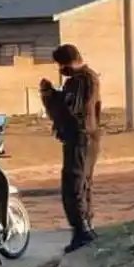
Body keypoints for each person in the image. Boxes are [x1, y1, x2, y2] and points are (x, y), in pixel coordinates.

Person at [40, 44, 101, 253]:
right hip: (85, 137)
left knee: (74, 184)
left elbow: (70, 110)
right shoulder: (84, 80)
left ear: (70, 61)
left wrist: (49, 96)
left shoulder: (82, 80)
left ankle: (82, 229)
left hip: (81, 138)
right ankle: (85, 227)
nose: (60, 69)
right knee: (82, 183)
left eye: (61, 65)